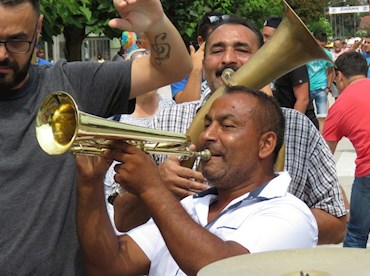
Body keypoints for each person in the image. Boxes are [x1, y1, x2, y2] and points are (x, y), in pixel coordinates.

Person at [111, 16, 347, 244]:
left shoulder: (298, 128)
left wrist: (272, 223)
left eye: (242, 50)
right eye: (216, 51)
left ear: (264, 58)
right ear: (203, 64)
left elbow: (338, 222)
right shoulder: (166, 121)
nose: (228, 59)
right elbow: (122, 220)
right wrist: (156, 184)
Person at [0, 0, 191, 275]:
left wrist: (156, 24)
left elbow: (172, 68)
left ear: (38, 28)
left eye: (17, 41)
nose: (2, 54)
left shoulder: (71, 84)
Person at [76, 85, 318, 276]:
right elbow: (109, 265)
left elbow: (224, 270)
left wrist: (152, 188)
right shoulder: (189, 207)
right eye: (207, 124)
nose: (207, 135)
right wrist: (90, 183)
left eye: (227, 126)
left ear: (265, 144)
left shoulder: (290, 214)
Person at [104, 47, 175, 233]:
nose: (148, 78)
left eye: (152, 71)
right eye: (140, 72)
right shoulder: (116, 120)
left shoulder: (175, 111)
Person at [323, 51, 370, 248]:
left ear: (339, 76)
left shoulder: (340, 105)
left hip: (368, 174)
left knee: (356, 235)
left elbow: (324, 156)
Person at [263, 16, 319, 129]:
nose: (264, 41)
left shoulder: (293, 60)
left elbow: (302, 100)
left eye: (269, 37)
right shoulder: (269, 60)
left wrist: (291, 129)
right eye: (264, 36)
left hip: (301, 123)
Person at [171, 11, 231, 103]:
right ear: (200, 41)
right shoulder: (182, 71)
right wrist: (196, 70)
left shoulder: (236, 64)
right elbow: (184, 108)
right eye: (215, 41)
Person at [306, 32, 335, 132]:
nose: (320, 48)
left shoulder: (327, 54)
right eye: (318, 45)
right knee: (307, 115)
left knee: (322, 116)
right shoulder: (306, 53)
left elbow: (331, 71)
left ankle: (321, 139)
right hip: (307, 88)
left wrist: (328, 86)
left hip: (321, 88)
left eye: (322, 46)